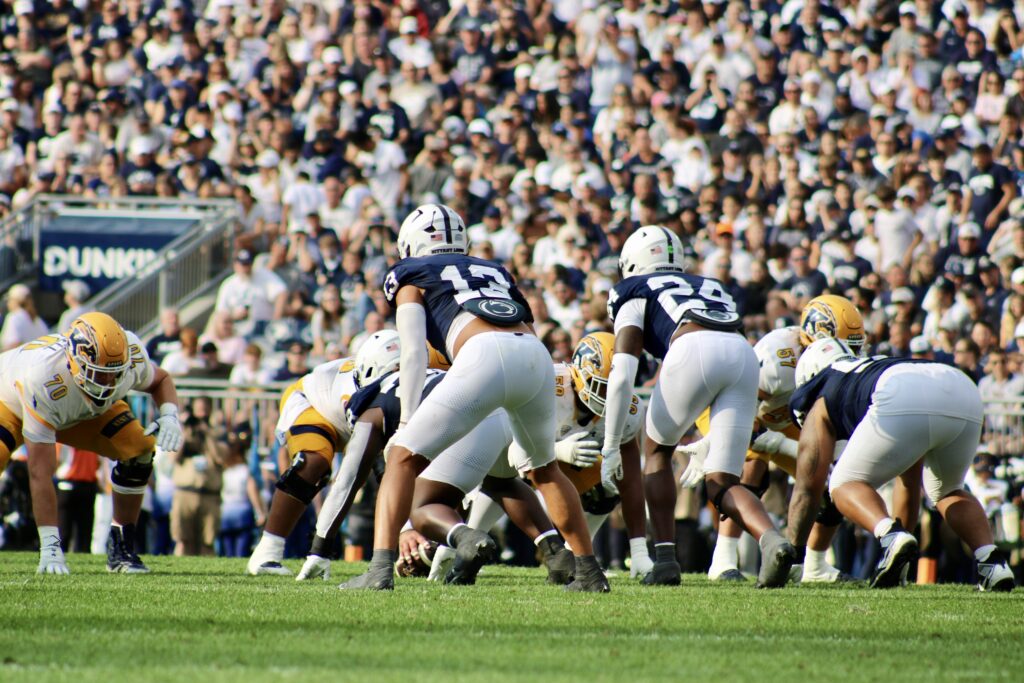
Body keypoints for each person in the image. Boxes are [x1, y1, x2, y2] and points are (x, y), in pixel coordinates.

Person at [341, 203, 606, 592]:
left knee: (402, 458)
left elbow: (413, 351)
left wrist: (407, 421)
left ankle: (379, 571)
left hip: (482, 353)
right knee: (544, 469)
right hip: (535, 354)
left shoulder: (409, 273)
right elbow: (525, 324)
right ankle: (589, 572)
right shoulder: (494, 269)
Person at [603, 226, 796, 588]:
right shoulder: (709, 285)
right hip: (741, 353)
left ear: (632, 262)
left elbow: (623, 371)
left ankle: (665, 560)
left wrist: (612, 444)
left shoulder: (631, 290)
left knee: (657, 450)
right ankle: (772, 540)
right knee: (722, 481)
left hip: (691, 348)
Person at [787, 338, 1016, 591]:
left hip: (901, 392)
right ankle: (992, 562)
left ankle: (889, 535)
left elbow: (809, 486)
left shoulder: (823, 388)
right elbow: (908, 481)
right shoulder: (868, 368)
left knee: (842, 484)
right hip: (960, 386)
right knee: (947, 490)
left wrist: (794, 556)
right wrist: (900, 561)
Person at [680, 295, 865, 583]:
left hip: (783, 415)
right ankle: (723, 559)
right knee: (751, 468)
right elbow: (743, 417)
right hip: (733, 405)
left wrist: (811, 456)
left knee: (834, 480)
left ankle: (815, 565)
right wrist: (792, 449)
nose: (846, 355)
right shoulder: (780, 358)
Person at [437, 333, 653, 578]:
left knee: (609, 482)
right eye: (603, 387)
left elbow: (632, 480)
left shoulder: (631, 412)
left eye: (617, 389)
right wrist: (559, 450)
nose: (610, 398)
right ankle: (465, 541)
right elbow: (511, 451)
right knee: (508, 476)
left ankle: (578, 556)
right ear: (580, 373)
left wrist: (639, 551)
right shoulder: (548, 383)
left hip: (555, 467)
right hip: (508, 459)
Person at [0, 312, 183, 574]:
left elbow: (161, 379)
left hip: (81, 409)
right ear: (75, 360)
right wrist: (51, 547)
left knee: (139, 449)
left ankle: (122, 548)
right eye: (99, 374)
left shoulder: (130, 354)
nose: (107, 382)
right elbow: (40, 473)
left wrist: (169, 415)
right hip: (11, 403)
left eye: (114, 374)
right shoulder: (43, 376)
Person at [246, 350, 362, 575]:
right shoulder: (366, 394)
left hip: (347, 413)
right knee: (313, 463)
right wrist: (321, 548)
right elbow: (353, 473)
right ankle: (268, 550)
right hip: (311, 402)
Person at [170, 397, 226, 557]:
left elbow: (220, 458)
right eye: (198, 410)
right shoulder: (183, 433)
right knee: (182, 540)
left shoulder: (217, 433)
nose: (201, 414)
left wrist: (207, 434)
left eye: (204, 410)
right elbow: (174, 458)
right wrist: (185, 430)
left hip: (209, 495)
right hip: (184, 493)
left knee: (207, 542)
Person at [219, 421, 266, 558]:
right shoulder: (245, 471)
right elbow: (252, 491)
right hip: (243, 513)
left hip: (225, 512)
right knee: (241, 551)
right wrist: (261, 512)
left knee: (227, 551)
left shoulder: (224, 471)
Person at [1, 284, 48, 351]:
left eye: (10, 300)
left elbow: (13, 345)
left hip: (21, 360)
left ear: (16, 301)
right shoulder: (38, 320)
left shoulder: (14, 317)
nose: (8, 303)